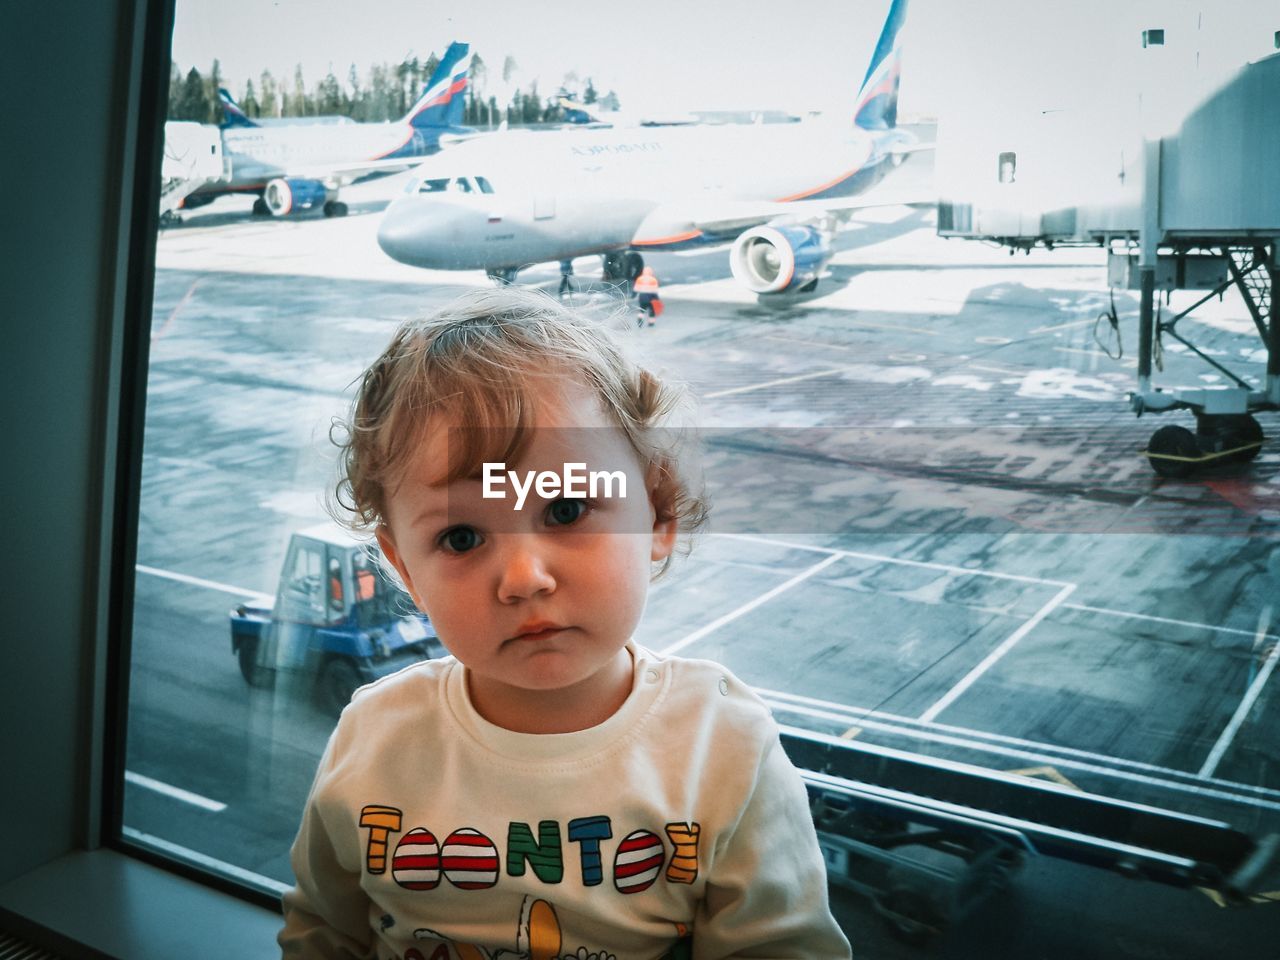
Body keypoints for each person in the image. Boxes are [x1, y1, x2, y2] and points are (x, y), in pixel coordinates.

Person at [279, 287, 851, 960]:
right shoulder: (374, 738)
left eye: (566, 509)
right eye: (462, 538)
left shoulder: (722, 747)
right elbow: (322, 931)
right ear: (404, 566)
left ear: (658, 511)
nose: (524, 578)